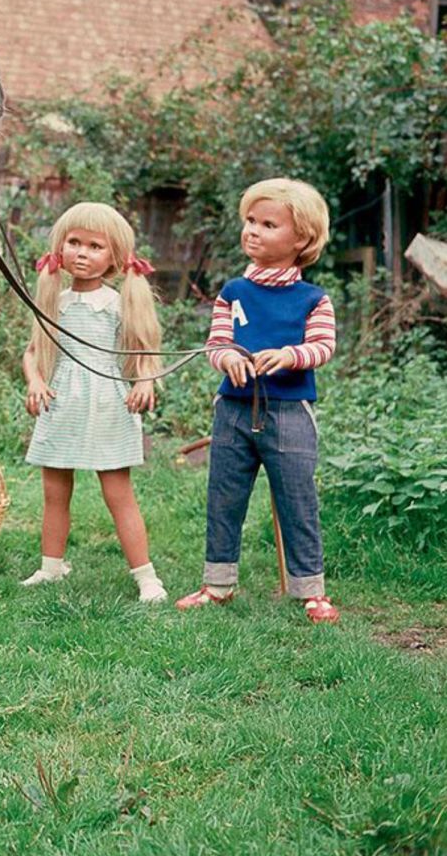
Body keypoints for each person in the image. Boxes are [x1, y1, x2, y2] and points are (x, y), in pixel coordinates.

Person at [176, 177, 339, 623]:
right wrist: (226, 357)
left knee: (297, 500)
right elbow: (217, 342)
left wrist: (289, 356)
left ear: (301, 239)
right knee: (224, 498)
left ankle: (310, 590)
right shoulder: (233, 292)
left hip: (289, 413)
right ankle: (218, 585)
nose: (253, 230)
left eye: (268, 224)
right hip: (232, 411)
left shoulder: (313, 299)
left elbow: (323, 348)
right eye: (250, 220)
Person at [21, 202, 167, 603]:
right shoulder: (56, 302)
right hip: (62, 403)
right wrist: (35, 380)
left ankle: (146, 576)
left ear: (115, 258)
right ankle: (51, 567)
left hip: (107, 404)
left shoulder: (118, 303)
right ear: (60, 248)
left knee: (118, 492)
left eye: (94, 246)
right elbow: (33, 351)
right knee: (54, 490)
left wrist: (144, 381)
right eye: (74, 243)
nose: (82, 253)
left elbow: (144, 350)